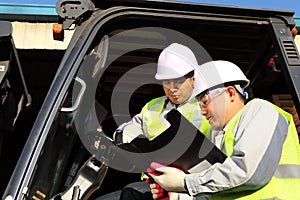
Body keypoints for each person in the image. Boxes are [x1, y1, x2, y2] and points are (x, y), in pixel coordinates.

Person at [148, 60, 300, 200]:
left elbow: (246, 172)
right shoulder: (223, 136)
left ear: (230, 93)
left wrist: (185, 183)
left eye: (205, 102)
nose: (202, 111)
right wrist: (178, 195)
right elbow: (224, 186)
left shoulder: (260, 110)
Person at [97, 43, 210, 200]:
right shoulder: (153, 107)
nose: (171, 88)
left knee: (130, 192)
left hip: (194, 187)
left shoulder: (209, 106)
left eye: (177, 81)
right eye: (166, 82)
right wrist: (124, 138)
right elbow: (128, 130)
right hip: (155, 183)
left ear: (193, 78)